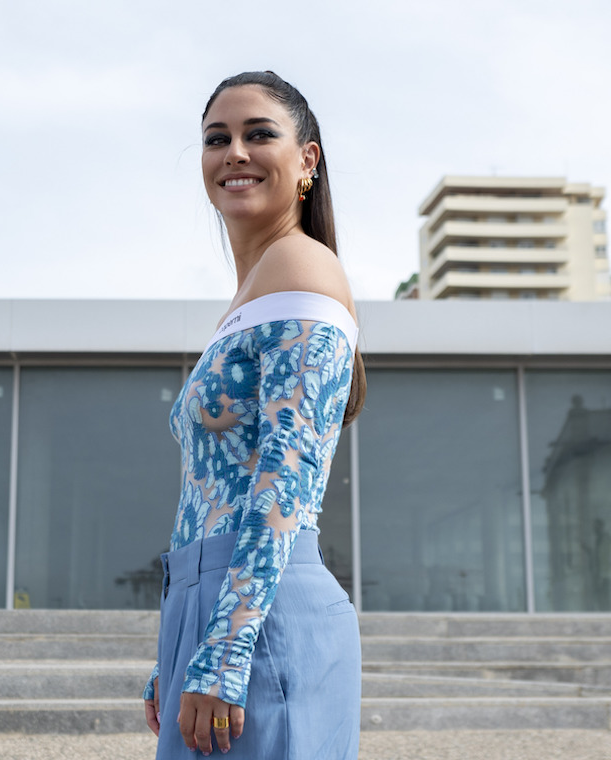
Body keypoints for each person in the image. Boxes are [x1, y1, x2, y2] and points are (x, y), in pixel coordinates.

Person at [142, 71, 366, 759]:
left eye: (258, 134)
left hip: (259, 618)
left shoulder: (301, 266)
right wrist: (175, 648)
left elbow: (287, 473)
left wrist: (224, 650)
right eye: (217, 139)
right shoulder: (254, 290)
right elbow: (202, 494)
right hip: (212, 608)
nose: (234, 151)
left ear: (307, 160)